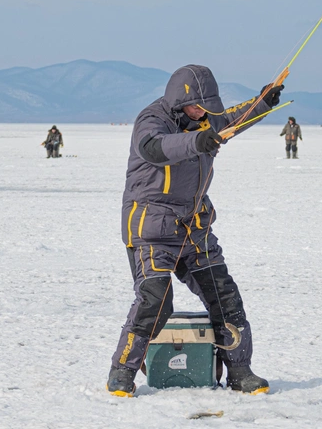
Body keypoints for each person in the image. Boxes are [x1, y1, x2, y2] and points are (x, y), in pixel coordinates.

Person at [106, 65, 284, 397]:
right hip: (151, 228)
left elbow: (232, 119)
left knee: (225, 298)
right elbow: (156, 148)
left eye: (206, 105)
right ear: (178, 100)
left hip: (194, 228)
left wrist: (262, 102)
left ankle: (240, 372)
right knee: (155, 303)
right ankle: (122, 370)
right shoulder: (152, 120)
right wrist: (198, 141)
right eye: (195, 104)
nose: (201, 111)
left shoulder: (206, 119)